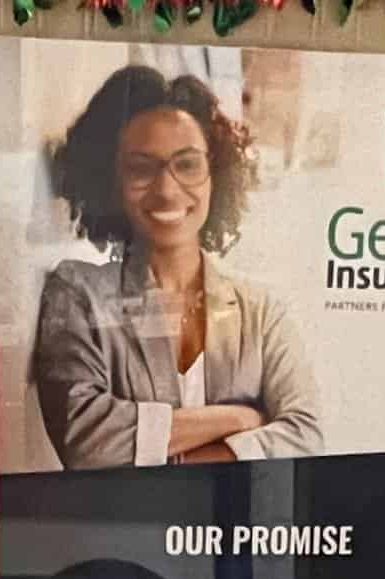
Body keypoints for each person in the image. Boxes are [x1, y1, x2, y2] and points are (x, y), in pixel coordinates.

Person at [32, 65, 321, 470]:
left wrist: (173, 462)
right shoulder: (78, 293)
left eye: (186, 164)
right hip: (126, 533)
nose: (167, 189)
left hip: (237, 532)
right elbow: (86, 441)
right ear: (110, 181)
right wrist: (241, 418)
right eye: (141, 167)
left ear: (215, 175)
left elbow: (306, 439)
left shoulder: (261, 311)